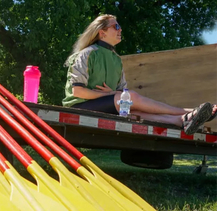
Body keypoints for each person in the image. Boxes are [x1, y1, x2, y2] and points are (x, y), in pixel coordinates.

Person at [62, 14, 217, 135]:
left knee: (136, 111)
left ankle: (181, 120)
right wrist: (110, 94)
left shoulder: (116, 60)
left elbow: (122, 94)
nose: (120, 29)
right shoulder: (86, 55)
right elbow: (77, 92)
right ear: (102, 33)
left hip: (110, 104)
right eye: (116, 26)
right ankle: (190, 111)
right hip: (81, 106)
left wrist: (114, 95)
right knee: (133, 97)